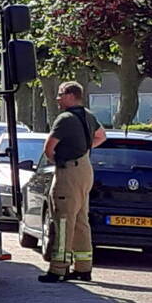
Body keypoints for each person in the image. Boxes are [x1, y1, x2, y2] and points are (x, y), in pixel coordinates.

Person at [40, 82, 106, 283]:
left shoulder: (65, 119)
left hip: (69, 171)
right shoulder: (88, 116)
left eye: (60, 94)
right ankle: (84, 268)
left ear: (70, 95)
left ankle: (58, 269)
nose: (57, 99)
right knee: (80, 220)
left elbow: (49, 147)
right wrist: (84, 150)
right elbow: (101, 136)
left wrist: (58, 160)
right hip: (85, 169)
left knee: (63, 219)